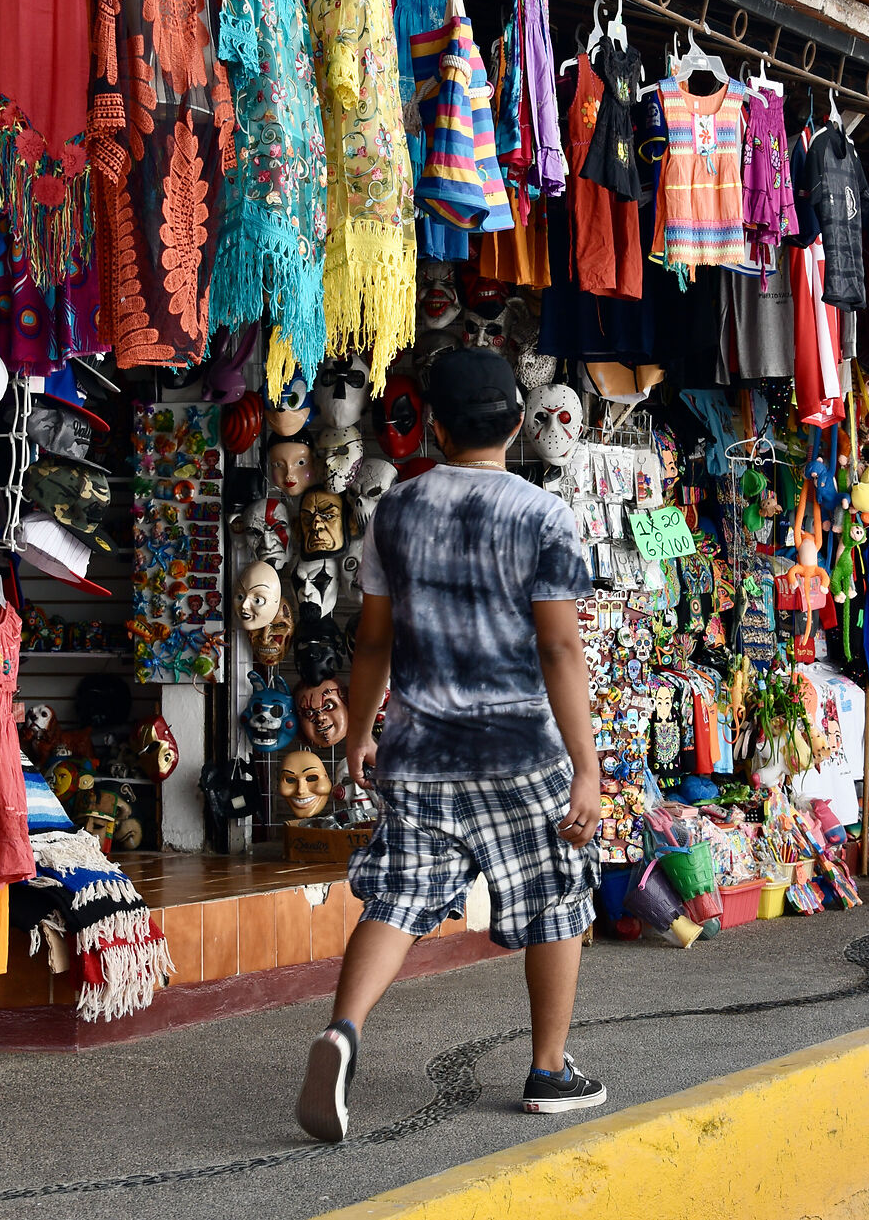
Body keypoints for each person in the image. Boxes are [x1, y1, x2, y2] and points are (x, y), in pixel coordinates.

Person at [298, 349, 604, 1144]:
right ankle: (548, 1068)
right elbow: (561, 650)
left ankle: (343, 1032)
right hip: (519, 752)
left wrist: (361, 732)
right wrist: (588, 767)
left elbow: (372, 643)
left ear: (432, 426)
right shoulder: (544, 515)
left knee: (397, 899)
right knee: (556, 896)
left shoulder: (393, 510)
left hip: (421, 748)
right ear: (517, 424)